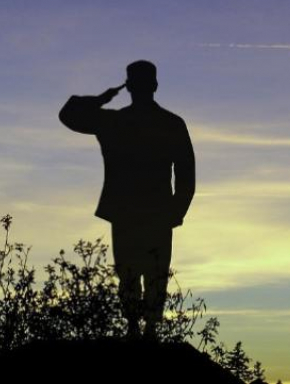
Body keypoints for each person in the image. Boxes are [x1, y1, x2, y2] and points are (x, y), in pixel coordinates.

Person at [58, 60, 195, 339]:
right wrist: (176, 210)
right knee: (148, 273)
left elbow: (69, 113)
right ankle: (145, 328)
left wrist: (100, 99)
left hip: (133, 212)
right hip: (153, 212)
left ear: (130, 86)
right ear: (155, 86)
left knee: (132, 272)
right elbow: (186, 174)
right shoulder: (168, 123)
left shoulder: (115, 122)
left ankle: (139, 327)